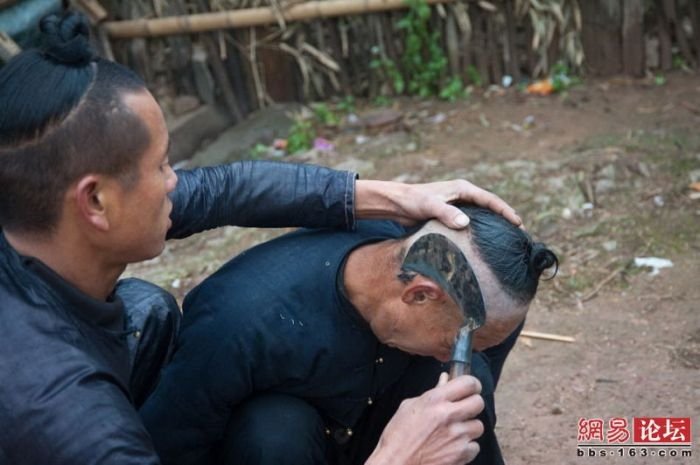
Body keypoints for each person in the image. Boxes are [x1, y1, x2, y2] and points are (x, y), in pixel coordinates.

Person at [0, 11, 523, 465]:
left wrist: (392, 196)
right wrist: (395, 456)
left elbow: (226, 189)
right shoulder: (76, 423)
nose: (176, 182)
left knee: (148, 309)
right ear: (95, 202)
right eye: (161, 166)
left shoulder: (31, 222)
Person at [140, 205, 558, 465]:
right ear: (419, 295)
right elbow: (172, 449)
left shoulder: (474, 300)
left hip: (374, 434)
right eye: (459, 341)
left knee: (464, 392)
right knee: (271, 432)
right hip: (285, 450)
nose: (460, 354)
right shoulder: (237, 324)